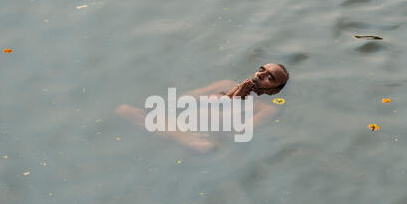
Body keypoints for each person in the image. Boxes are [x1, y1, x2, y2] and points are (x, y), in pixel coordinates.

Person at [115, 63, 289, 153]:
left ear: (274, 90)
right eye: (261, 70)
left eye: (270, 77)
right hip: (178, 125)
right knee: (123, 110)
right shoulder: (226, 84)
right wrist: (229, 94)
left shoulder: (265, 109)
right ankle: (177, 136)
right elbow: (183, 100)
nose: (261, 75)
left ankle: (178, 137)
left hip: (204, 140)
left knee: (204, 148)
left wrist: (236, 100)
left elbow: (239, 132)